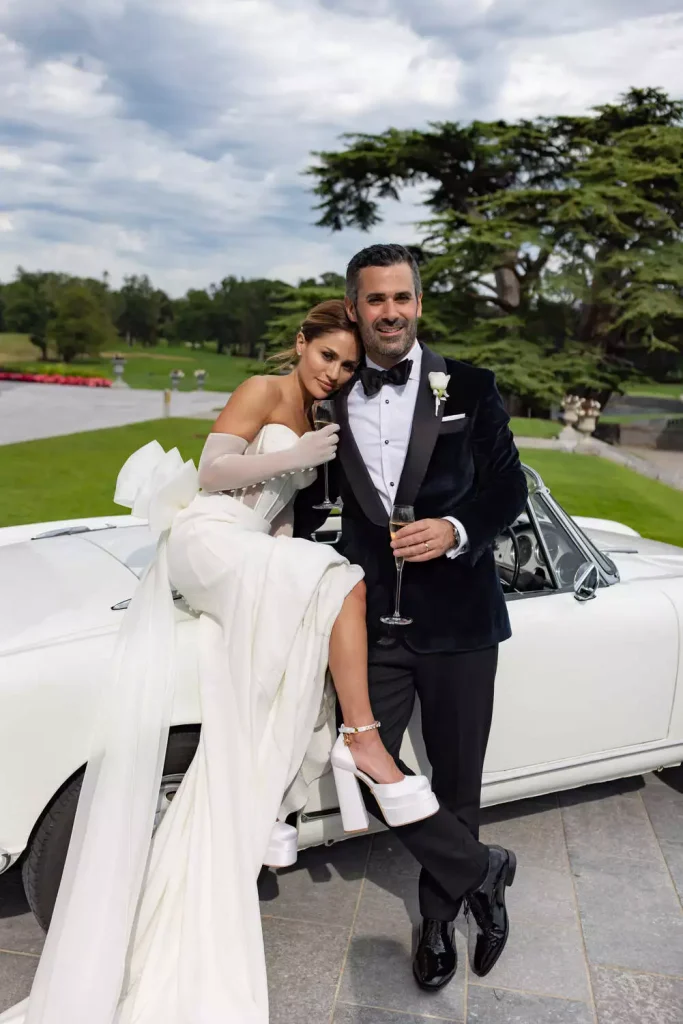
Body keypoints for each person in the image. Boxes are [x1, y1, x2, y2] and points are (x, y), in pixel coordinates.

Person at [0, 299, 437, 1024]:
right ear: (301, 344)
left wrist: (294, 533)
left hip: (249, 543)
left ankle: (269, 799)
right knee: (342, 584)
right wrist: (294, 459)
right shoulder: (264, 393)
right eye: (326, 356)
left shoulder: (323, 419)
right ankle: (363, 744)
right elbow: (212, 474)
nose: (334, 372)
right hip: (209, 536)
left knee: (306, 617)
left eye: (349, 365)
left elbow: (281, 516)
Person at [294, 245, 529, 992]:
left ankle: (436, 919)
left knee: (457, 780)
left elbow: (507, 489)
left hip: (460, 621)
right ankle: (480, 871)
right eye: (374, 300)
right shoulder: (329, 398)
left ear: (417, 303)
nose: (388, 312)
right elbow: (309, 502)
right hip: (371, 627)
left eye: (401, 298)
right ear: (354, 307)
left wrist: (456, 531)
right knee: (364, 771)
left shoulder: (472, 386)